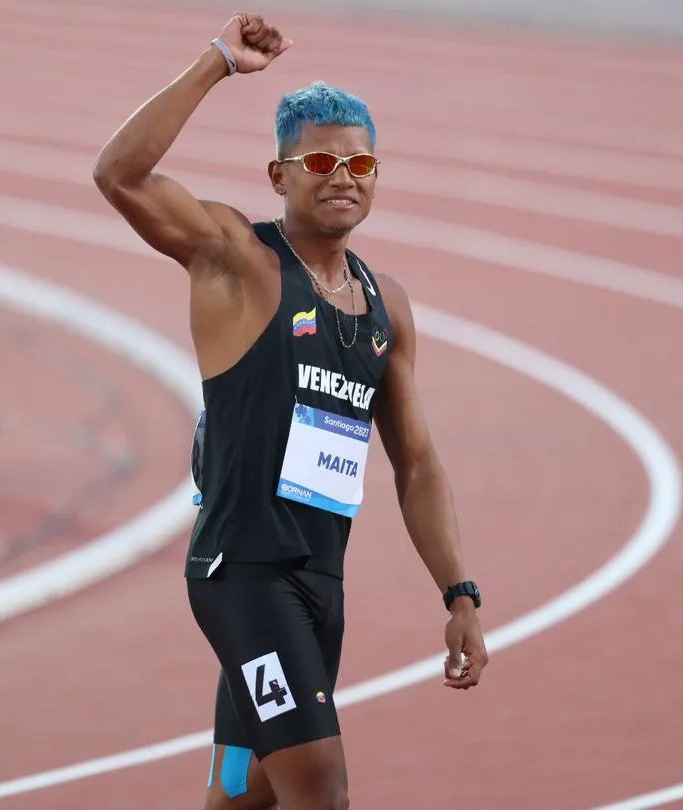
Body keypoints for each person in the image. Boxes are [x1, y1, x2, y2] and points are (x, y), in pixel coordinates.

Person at [94, 13, 488, 810]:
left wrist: (460, 593)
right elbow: (121, 176)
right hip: (244, 577)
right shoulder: (237, 259)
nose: (343, 176)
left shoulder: (387, 306)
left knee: (243, 799)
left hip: (318, 582)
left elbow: (416, 464)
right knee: (323, 791)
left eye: (361, 162)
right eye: (319, 161)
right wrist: (216, 65)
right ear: (279, 176)